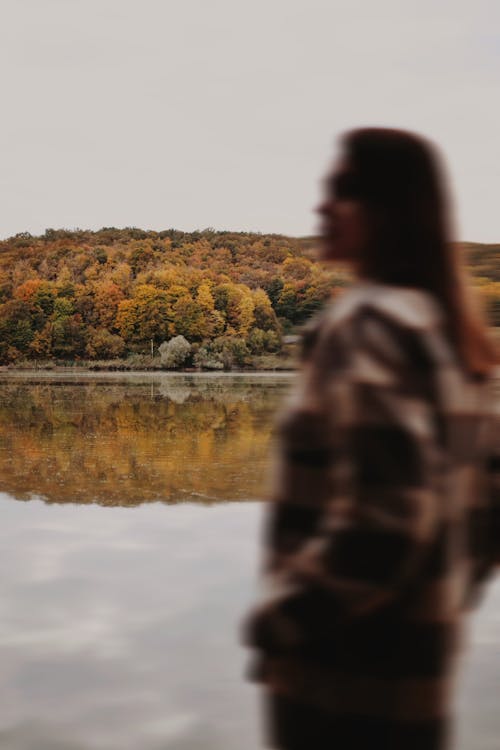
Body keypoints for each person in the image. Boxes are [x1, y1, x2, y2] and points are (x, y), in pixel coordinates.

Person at [240, 127, 500, 750]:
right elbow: (488, 511)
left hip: (341, 683)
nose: (321, 207)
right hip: (419, 674)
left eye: (343, 193)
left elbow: (389, 519)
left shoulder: (368, 325)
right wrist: (439, 603)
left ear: (391, 212)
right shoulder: (452, 337)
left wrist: (282, 623)